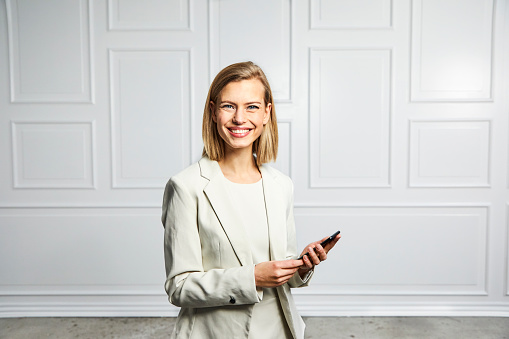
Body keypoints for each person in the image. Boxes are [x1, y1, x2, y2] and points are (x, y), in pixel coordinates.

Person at [162, 61, 340, 339]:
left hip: (280, 331)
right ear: (213, 112)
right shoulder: (186, 187)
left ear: (267, 113)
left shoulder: (281, 185)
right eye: (228, 106)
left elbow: (282, 273)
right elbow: (179, 287)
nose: (239, 118)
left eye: (252, 106)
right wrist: (252, 278)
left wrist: (301, 266)